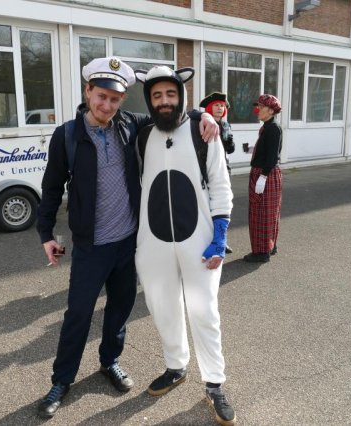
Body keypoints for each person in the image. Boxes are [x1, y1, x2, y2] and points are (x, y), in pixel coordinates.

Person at [35, 57, 219, 419]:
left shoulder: (131, 125)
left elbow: (171, 112)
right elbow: (52, 187)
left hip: (128, 243)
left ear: (122, 101)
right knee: (78, 314)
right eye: (101, 96)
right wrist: (46, 233)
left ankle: (110, 362)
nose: (107, 105)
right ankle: (62, 380)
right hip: (90, 246)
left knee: (119, 309)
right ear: (88, 92)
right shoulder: (67, 136)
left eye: (115, 99)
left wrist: (204, 115)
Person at [133, 65, 236, 426]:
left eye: (171, 94)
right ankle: (176, 366)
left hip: (200, 240)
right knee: (162, 307)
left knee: (204, 311)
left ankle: (214, 384)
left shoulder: (202, 131)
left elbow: (221, 185)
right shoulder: (142, 135)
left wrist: (220, 236)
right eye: (157, 95)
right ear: (149, 100)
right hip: (153, 241)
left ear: (182, 95)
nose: (164, 101)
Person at [243, 94, 283, 263]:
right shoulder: (269, 126)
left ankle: (261, 253)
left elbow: (272, 156)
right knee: (269, 212)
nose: (257, 109)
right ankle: (270, 246)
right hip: (265, 173)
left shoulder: (273, 128)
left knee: (261, 214)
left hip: (265, 174)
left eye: (260, 106)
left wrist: (263, 177)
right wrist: (251, 149)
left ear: (271, 110)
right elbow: (266, 150)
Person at [200, 92, 235, 254]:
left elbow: (231, 149)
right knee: (208, 207)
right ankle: (207, 239)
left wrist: (229, 139)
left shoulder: (226, 125)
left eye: (222, 106)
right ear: (209, 107)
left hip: (224, 170)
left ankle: (221, 239)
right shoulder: (203, 123)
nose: (220, 108)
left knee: (223, 206)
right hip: (208, 171)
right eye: (217, 105)